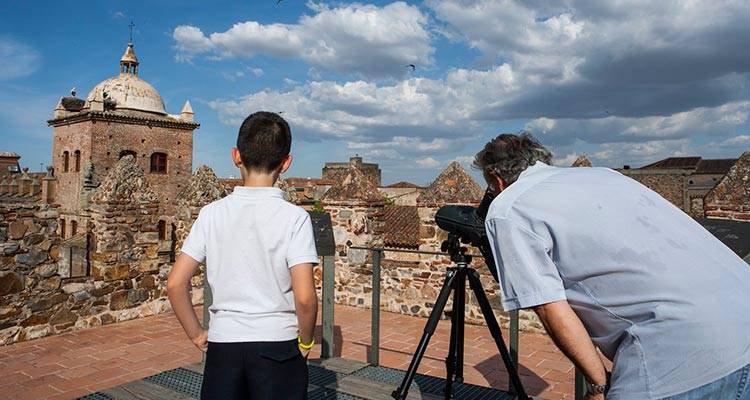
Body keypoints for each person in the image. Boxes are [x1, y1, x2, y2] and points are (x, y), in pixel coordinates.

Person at [475, 133, 750, 400]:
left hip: (677, 354)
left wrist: (597, 386)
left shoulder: (509, 208)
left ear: (497, 180)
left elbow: (549, 308)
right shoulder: (604, 175)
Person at [167, 111, 319, 400]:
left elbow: (175, 284)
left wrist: (197, 334)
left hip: (224, 345)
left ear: (236, 156)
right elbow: (305, 298)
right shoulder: (295, 218)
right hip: (279, 344)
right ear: (286, 163)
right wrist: (306, 340)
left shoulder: (211, 214)